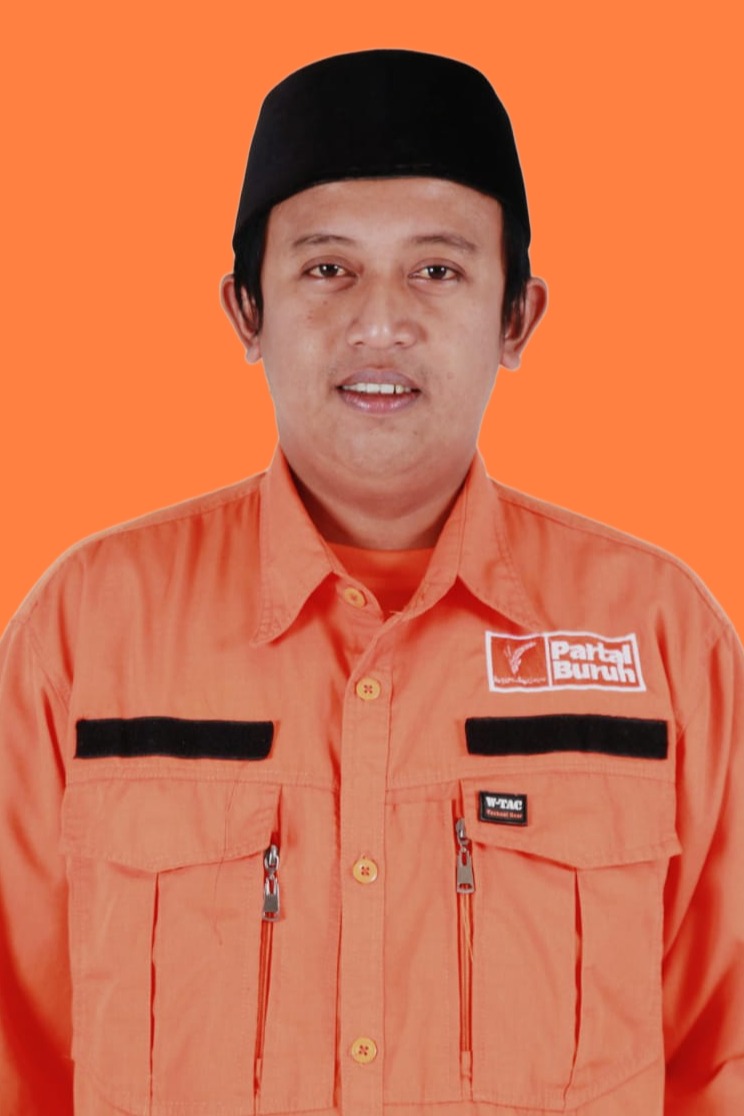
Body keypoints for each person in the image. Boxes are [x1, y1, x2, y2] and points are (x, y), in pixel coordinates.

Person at [0, 48, 741, 1116]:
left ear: (517, 317)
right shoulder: (87, 630)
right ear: (247, 311)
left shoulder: (663, 638)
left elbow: (723, 1057)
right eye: (327, 269)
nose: (380, 321)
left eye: (437, 270)